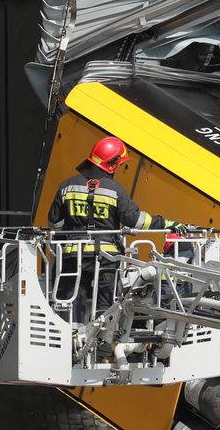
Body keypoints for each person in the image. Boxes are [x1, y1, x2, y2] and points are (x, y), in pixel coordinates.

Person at [47, 136, 186, 323]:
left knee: (69, 303)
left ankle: (69, 343)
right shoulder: (115, 190)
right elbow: (136, 221)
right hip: (106, 259)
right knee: (106, 305)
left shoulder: (66, 186)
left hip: (73, 256)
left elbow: (54, 223)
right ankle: (102, 345)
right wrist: (168, 224)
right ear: (112, 164)